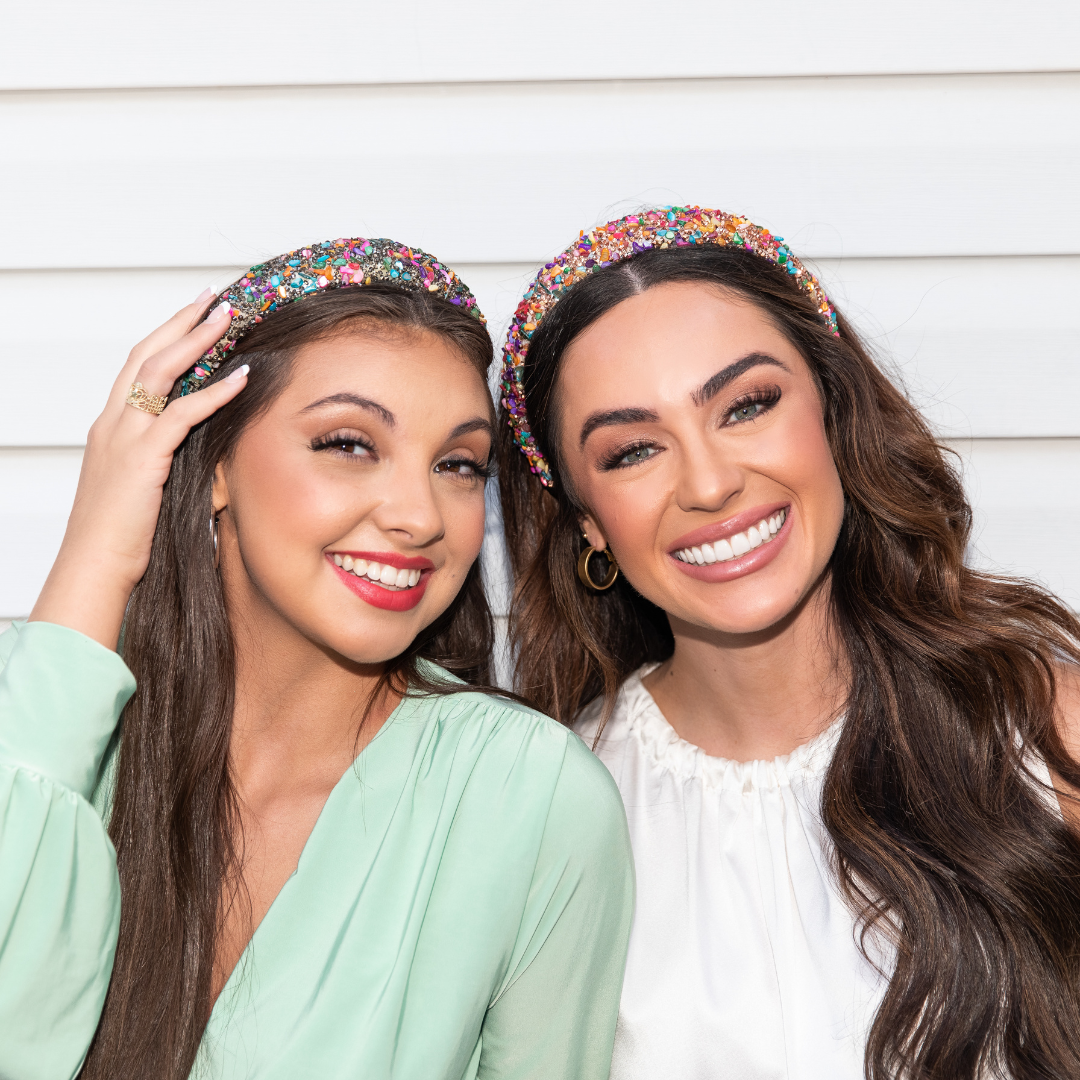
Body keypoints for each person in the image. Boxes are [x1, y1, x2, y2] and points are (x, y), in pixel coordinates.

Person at [0, 237, 633, 1080]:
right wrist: (97, 554)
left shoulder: (532, 799)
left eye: (457, 465)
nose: (419, 516)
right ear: (212, 462)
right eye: (348, 443)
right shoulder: (40, 723)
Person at [496, 208, 1080, 1080]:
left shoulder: (1044, 730)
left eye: (747, 406)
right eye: (633, 451)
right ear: (588, 523)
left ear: (834, 411)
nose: (709, 483)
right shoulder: (553, 817)